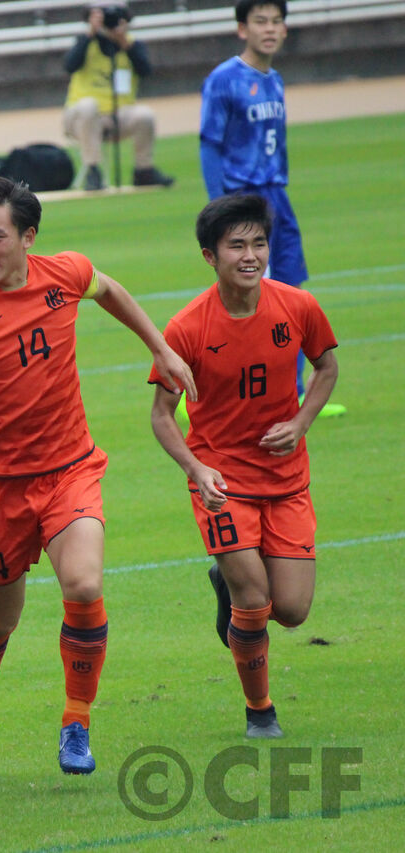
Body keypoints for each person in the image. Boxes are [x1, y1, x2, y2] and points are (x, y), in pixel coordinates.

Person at [0, 176, 194, 776]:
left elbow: (109, 289)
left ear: (28, 236)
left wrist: (158, 346)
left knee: (83, 585)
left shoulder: (66, 274)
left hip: (69, 468)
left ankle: (75, 722)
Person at [149, 194, 337, 738]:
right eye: (237, 246)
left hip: (286, 479)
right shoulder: (185, 329)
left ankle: (225, 587)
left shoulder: (297, 307)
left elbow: (326, 367)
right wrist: (195, 469)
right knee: (255, 600)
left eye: (258, 243)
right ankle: (261, 711)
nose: (250, 255)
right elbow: (162, 416)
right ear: (211, 256)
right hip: (221, 482)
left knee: (294, 610)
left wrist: (301, 422)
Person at [200, 1, 344, 417]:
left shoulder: (275, 79)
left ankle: (294, 392)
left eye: (277, 21)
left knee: (291, 291)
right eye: (260, 21)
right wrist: (220, 209)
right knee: (247, 297)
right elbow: (210, 144)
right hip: (242, 199)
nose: (270, 29)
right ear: (241, 29)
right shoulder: (224, 79)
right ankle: (214, 390)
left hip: (277, 199)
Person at [63, 2, 175, 191]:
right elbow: (70, 65)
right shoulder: (84, 41)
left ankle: (143, 170)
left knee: (145, 115)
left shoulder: (132, 44)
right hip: (82, 118)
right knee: (89, 106)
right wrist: (91, 32)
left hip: (118, 115)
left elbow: (145, 70)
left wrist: (123, 42)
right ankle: (93, 171)